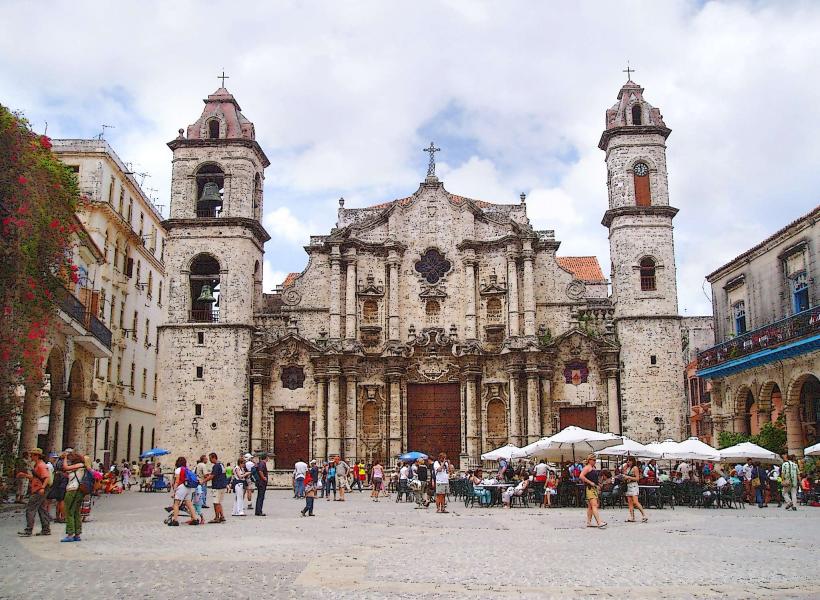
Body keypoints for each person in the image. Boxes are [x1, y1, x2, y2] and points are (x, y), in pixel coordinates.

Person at [16, 448, 51, 537]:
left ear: (37, 456)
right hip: (39, 488)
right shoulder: (38, 465)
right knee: (42, 509)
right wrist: (24, 475)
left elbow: (46, 477)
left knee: (30, 509)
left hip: (39, 490)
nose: (31, 456)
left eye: (32, 455)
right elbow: (36, 478)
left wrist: (42, 488)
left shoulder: (41, 465)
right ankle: (46, 529)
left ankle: (28, 530)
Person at [60, 452, 87, 542]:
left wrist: (65, 458)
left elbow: (65, 467)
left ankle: (70, 533)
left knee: (69, 511)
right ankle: (77, 533)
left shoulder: (80, 465)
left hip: (73, 490)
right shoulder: (79, 467)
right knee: (76, 512)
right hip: (78, 491)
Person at [169, 457, 199, 526]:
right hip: (188, 487)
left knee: (176, 503)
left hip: (181, 487)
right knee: (189, 504)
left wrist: (174, 490)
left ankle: (175, 520)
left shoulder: (178, 470)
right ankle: (194, 519)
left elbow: (177, 481)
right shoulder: (187, 469)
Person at [580, 454, 606, 528]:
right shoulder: (587, 467)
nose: (595, 461)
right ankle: (599, 522)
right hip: (590, 488)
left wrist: (598, 484)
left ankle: (589, 522)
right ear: (589, 460)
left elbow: (593, 478)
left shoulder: (592, 467)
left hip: (593, 488)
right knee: (594, 505)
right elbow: (581, 476)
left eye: (595, 460)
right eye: (594, 460)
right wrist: (590, 482)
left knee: (590, 506)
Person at [622, 456, 648, 523]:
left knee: (635, 502)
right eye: (627, 460)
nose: (628, 462)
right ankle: (632, 517)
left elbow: (637, 478)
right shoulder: (627, 468)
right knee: (630, 502)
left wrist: (628, 477)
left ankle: (644, 515)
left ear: (633, 461)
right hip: (628, 485)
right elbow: (624, 475)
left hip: (633, 485)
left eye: (629, 460)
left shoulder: (635, 468)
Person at [204, 452, 227, 523]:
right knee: (219, 502)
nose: (210, 460)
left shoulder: (216, 466)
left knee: (216, 502)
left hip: (217, 486)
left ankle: (217, 517)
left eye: (210, 458)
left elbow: (212, 476)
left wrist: (203, 481)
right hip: (222, 485)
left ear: (214, 458)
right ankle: (222, 516)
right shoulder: (221, 464)